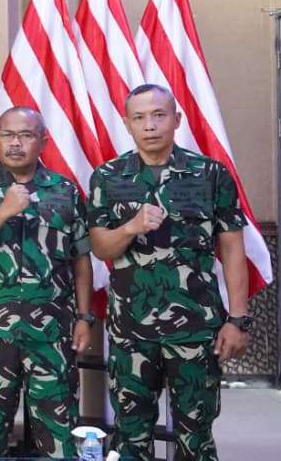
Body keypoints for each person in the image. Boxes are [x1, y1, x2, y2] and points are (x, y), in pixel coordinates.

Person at [88, 84, 252, 461]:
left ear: (176, 120)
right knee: (130, 436)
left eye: (159, 115)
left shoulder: (210, 174)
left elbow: (232, 250)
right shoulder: (108, 177)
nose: (150, 125)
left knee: (196, 436)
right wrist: (130, 227)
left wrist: (238, 319)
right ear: (127, 124)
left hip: (195, 328)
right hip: (132, 331)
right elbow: (100, 247)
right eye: (139, 117)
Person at [0, 106, 94, 457]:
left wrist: (84, 317)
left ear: (43, 141)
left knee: (58, 435)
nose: (15, 143)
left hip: (52, 333)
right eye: (8, 135)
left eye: (26, 135)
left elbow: (81, 260)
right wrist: (3, 211)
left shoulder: (64, 190)